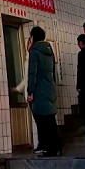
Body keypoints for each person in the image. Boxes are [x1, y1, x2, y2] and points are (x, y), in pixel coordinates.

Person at [27, 26, 62, 157]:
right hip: (50, 89)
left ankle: (47, 147)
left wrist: (30, 92)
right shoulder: (50, 50)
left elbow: (32, 73)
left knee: (42, 121)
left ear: (34, 37)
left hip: (40, 91)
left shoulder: (34, 51)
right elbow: (54, 72)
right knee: (51, 120)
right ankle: (56, 147)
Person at [12, 37, 41, 153]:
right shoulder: (28, 59)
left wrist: (30, 92)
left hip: (33, 94)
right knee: (36, 120)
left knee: (38, 121)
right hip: (31, 93)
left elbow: (31, 78)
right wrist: (18, 88)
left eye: (29, 43)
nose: (27, 45)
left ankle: (39, 145)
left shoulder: (32, 59)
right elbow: (26, 79)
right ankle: (38, 145)